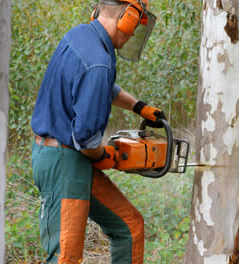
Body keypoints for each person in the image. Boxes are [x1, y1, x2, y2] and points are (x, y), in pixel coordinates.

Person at [30, 0, 163, 263]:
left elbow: (104, 87)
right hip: (64, 163)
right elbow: (86, 138)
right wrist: (106, 156)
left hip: (68, 158)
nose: (133, 34)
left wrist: (139, 107)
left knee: (130, 226)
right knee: (65, 257)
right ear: (127, 17)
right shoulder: (99, 62)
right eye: (135, 26)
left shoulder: (80, 36)